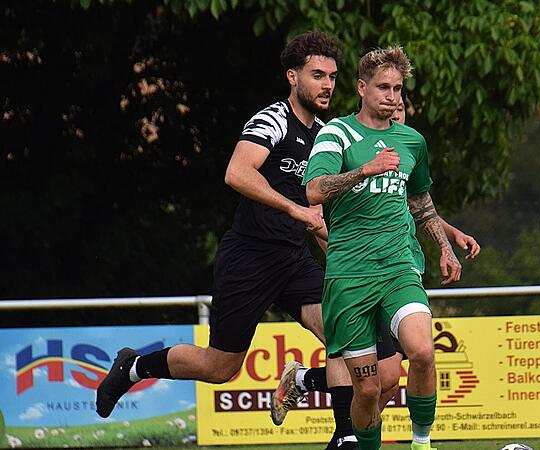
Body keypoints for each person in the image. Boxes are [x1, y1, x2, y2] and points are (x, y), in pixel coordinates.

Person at [95, 31, 359, 449]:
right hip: (249, 258)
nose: (327, 84)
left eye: (332, 76)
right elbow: (237, 173)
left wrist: (340, 255)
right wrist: (293, 209)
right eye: (317, 75)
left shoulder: (326, 136)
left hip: (294, 259)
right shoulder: (272, 120)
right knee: (219, 368)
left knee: (345, 334)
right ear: (293, 77)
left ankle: (344, 437)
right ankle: (133, 366)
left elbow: (318, 216)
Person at [272, 97, 480, 438]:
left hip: (398, 269)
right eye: (390, 105)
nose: (394, 114)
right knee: (374, 382)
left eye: (399, 110)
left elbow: (413, 201)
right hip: (355, 276)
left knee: (392, 374)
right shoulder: (343, 142)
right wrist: (343, 250)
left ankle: (353, 425)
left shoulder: (405, 145)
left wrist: (450, 238)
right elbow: (318, 214)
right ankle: (347, 433)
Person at [303, 46, 456, 450]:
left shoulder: (412, 141)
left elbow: (420, 201)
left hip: (399, 267)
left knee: (422, 352)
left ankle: (422, 443)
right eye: (383, 87)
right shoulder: (337, 133)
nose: (392, 96)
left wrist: (444, 245)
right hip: (349, 276)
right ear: (361, 88)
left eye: (398, 88)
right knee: (368, 390)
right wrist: (364, 170)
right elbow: (314, 190)